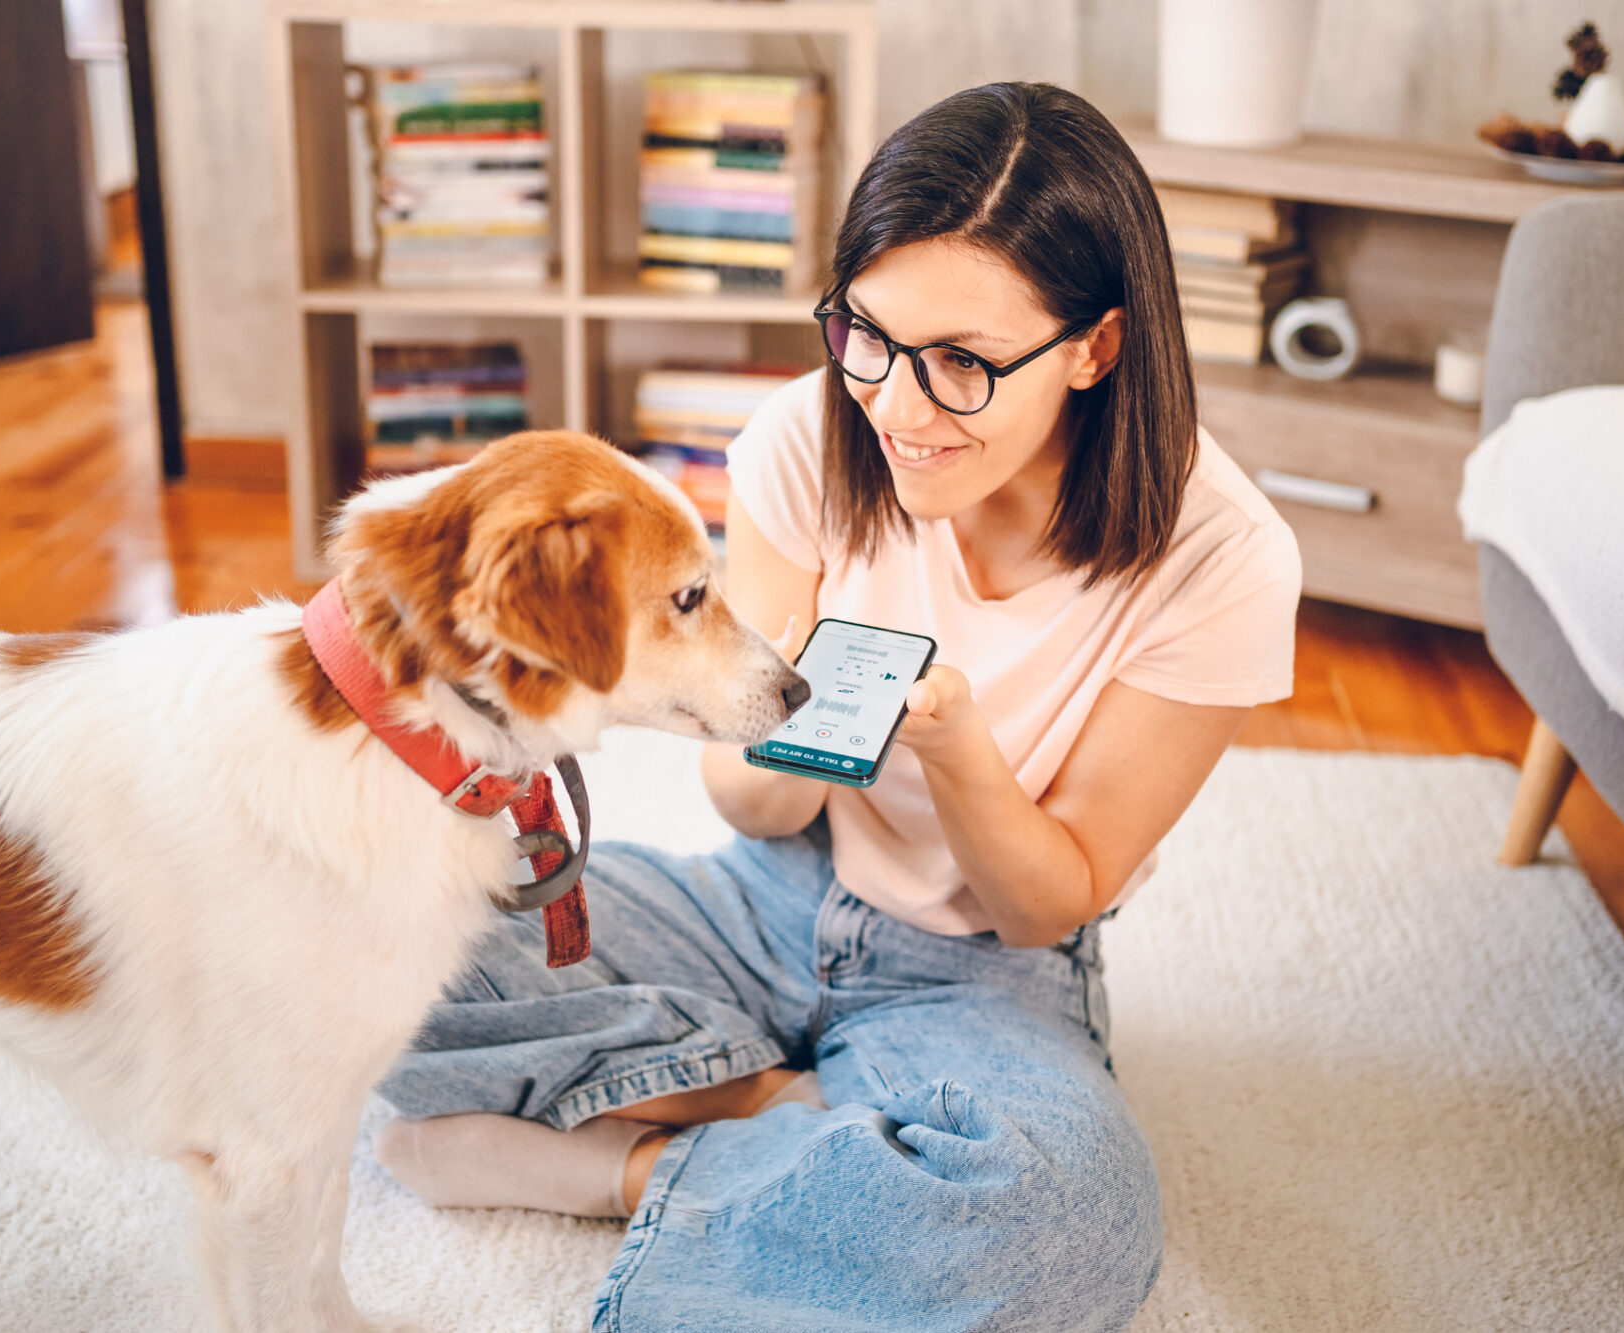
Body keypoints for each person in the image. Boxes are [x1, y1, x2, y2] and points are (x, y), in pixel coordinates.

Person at [372, 82, 1300, 1333]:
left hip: (983, 974)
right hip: (767, 898)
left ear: (1095, 347)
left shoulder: (1221, 555)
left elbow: (1045, 903)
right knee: (384, 928)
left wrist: (953, 744)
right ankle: (771, 1106)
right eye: (864, 333)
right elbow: (749, 809)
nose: (896, 406)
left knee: (1072, 1216)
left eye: (963, 363)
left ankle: (625, 1162)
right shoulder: (808, 436)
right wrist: (802, 713)